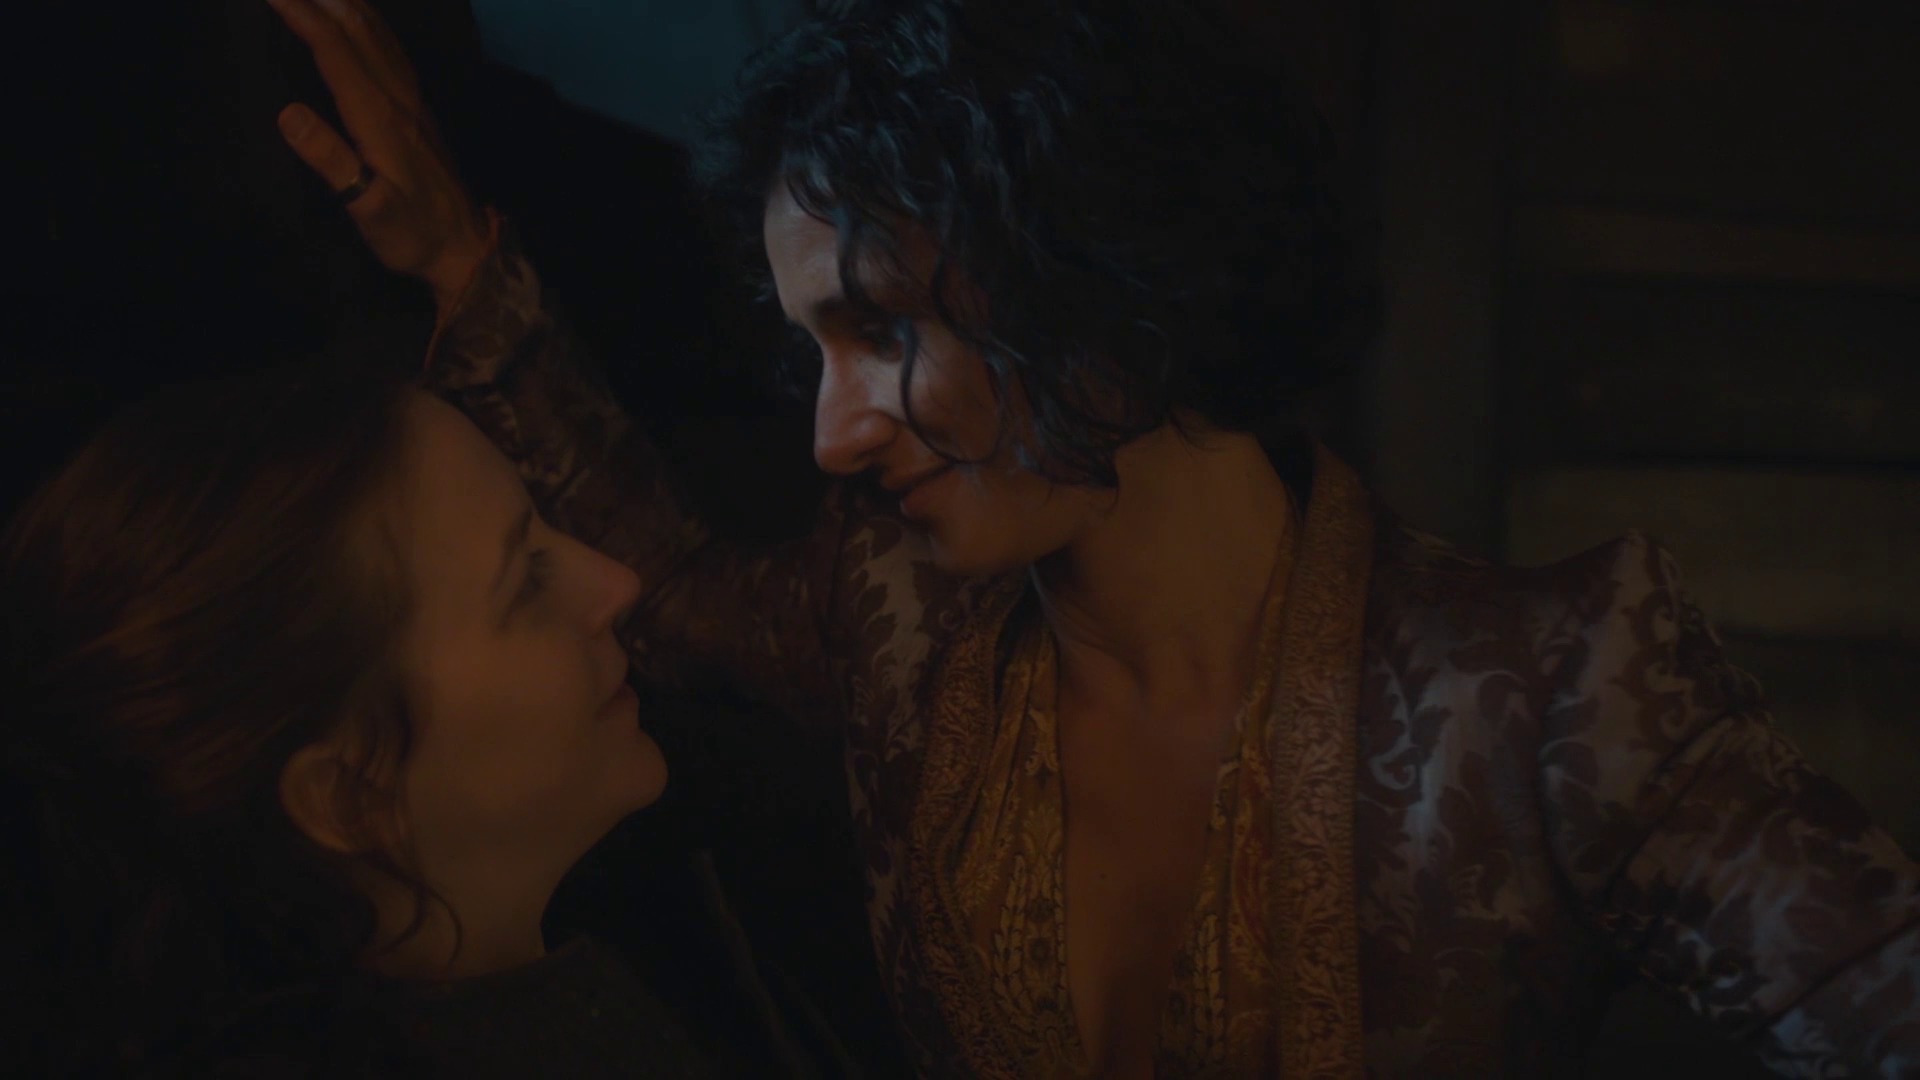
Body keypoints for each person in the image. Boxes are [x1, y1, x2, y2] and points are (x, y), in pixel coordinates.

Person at [269, 0, 1920, 1075]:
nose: (832, 436)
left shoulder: (1556, 683)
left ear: (1101, 286)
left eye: (881, 331)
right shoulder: (895, 614)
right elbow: (671, 588)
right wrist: (458, 263)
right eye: (810, 351)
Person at [0, 358, 813, 1077]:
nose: (617, 583)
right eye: (525, 582)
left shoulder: (653, 922)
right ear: (352, 795)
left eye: (543, 525)